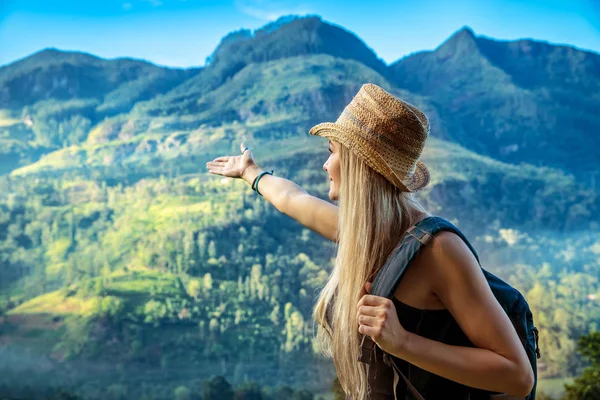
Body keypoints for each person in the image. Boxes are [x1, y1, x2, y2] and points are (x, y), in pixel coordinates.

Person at [205, 83, 534, 399]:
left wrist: (401, 341)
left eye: (332, 152)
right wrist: (251, 172)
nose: (325, 164)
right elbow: (293, 199)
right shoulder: (368, 233)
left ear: (357, 164)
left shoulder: (439, 250)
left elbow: (516, 377)